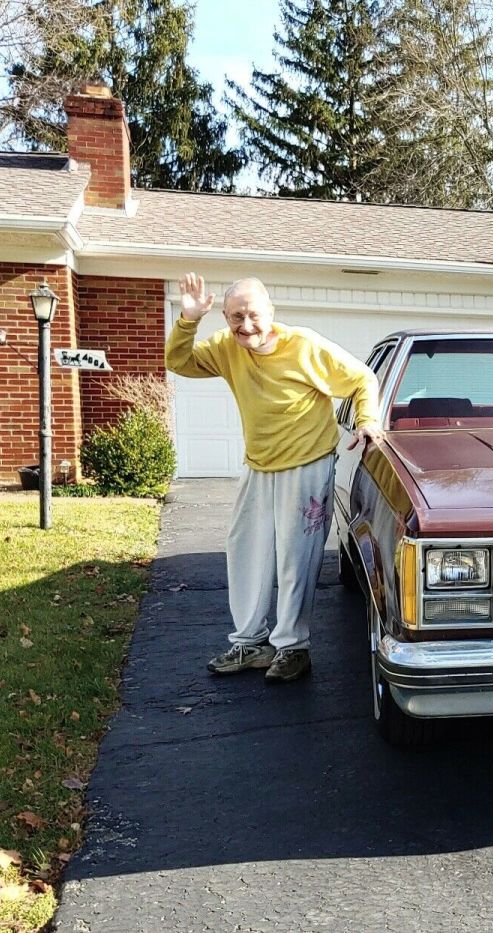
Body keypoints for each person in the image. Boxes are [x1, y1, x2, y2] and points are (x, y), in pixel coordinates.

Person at [165, 273, 383, 683]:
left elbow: (361, 380)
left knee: (295, 556)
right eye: (235, 318)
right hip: (259, 463)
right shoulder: (227, 348)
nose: (245, 326)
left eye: (252, 315)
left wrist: (368, 421)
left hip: (307, 462)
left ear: (270, 312)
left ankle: (292, 648)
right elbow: (177, 362)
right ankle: (250, 642)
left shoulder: (304, 346)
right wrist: (189, 320)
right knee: (245, 549)